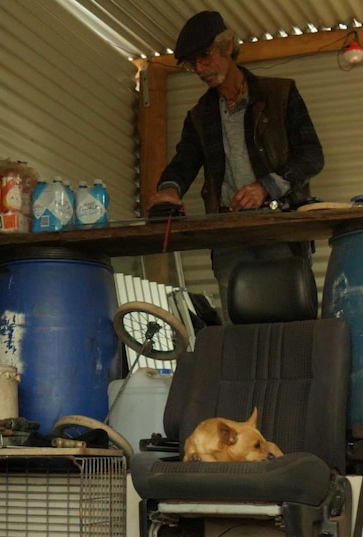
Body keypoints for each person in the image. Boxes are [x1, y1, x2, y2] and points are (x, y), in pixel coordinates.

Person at [148, 10, 324, 323]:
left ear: (228, 47)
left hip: (280, 233)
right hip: (229, 239)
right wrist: (168, 189)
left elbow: (312, 156)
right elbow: (184, 161)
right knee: (238, 334)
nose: (201, 69)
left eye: (205, 56)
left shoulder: (281, 94)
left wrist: (266, 187)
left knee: (292, 328)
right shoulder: (200, 115)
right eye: (193, 64)